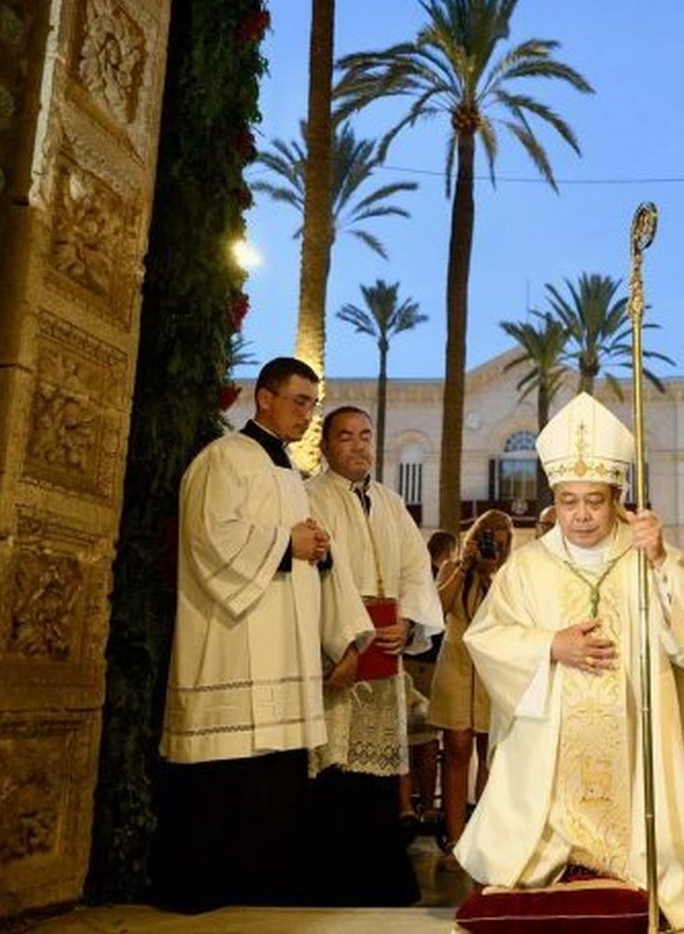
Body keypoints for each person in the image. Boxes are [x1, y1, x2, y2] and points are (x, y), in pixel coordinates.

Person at [456, 393, 684, 930]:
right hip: (550, 741)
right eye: (568, 500)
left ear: (618, 499)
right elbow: (487, 636)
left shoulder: (649, 554)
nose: (581, 514)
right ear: (553, 500)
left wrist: (658, 563)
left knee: (643, 850)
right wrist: (550, 646)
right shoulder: (527, 566)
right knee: (541, 855)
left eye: (595, 500)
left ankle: (637, 867)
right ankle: (552, 861)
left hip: (636, 742)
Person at [155, 357, 373, 912]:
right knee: (228, 777)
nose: (307, 414)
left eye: (312, 403)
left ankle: (260, 891)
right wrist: (285, 545)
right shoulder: (223, 459)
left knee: (274, 782)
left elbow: (307, 551)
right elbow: (209, 539)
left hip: (283, 651)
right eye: (300, 401)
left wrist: (320, 567)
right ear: (264, 398)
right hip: (231, 647)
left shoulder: (290, 478)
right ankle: (208, 890)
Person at [306, 406, 445, 906]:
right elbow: (312, 580)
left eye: (366, 436)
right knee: (335, 768)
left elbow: (415, 570)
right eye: (346, 436)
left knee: (380, 775)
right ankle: (332, 881)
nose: (359, 445)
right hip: (336, 656)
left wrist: (407, 622)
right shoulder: (309, 497)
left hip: (386, 656)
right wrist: (343, 640)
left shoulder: (390, 502)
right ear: (325, 445)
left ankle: (378, 878)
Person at [429, 509, 514, 861]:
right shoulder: (453, 568)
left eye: (498, 539)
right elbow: (438, 610)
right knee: (456, 750)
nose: (491, 543)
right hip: (456, 662)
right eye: (486, 535)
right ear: (475, 536)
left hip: (492, 669)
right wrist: (464, 566)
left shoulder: (508, 576)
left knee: (490, 752)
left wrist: (493, 574)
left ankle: (484, 835)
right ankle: (454, 836)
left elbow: (511, 617)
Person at [402, 530, 459, 833]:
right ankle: (421, 804)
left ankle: (417, 803)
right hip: (423, 664)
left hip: (422, 662)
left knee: (418, 740)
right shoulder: (431, 575)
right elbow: (436, 610)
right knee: (421, 739)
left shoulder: (420, 574)